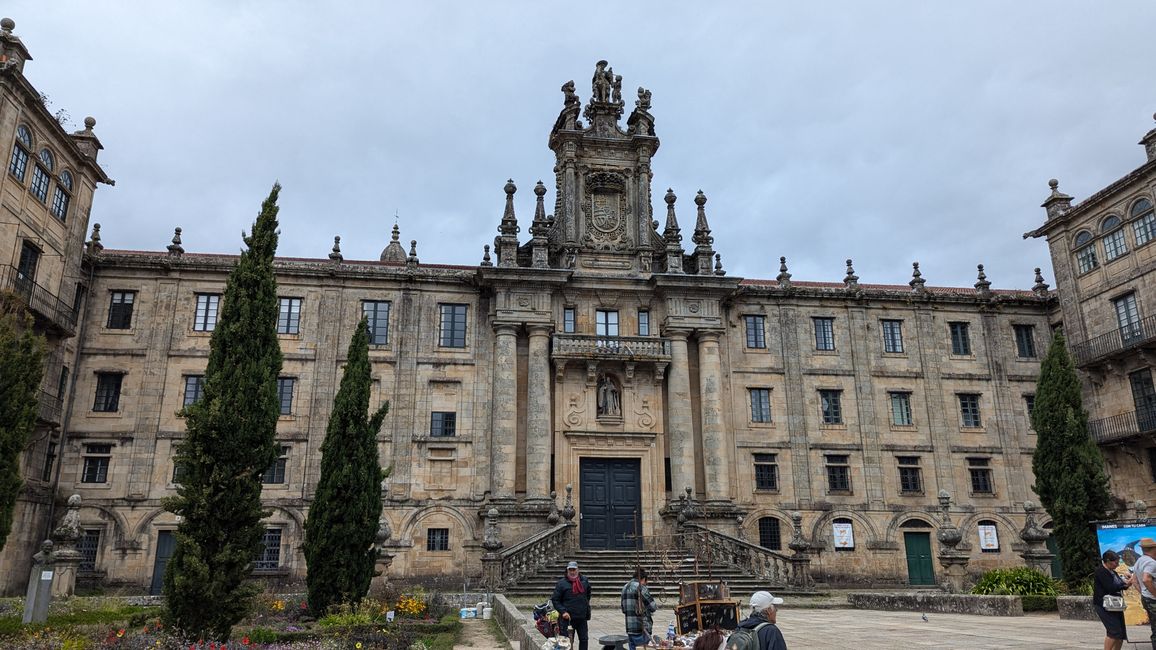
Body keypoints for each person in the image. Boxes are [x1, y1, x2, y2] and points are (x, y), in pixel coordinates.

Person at [1094, 550, 1132, 650]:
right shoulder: (1101, 572)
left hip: (1115, 605)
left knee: (1120, 632)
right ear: (1107, 561)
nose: (1117, 564)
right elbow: (1110, 587)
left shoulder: (1113, 572)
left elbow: (1120, 585)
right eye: (1116, 562)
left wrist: (1127, 583)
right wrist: (1124, 584)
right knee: (1114, 631)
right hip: (1104, 605)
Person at [552, 560, 592, 650]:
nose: (572, 572)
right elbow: (555, 600)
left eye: (574, 570)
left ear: (578, 570)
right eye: (570, 570)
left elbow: (588, 595)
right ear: (567, 571)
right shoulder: (562, 583)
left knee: (584, 639)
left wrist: (584, 606)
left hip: (582, 618)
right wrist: (563, 611)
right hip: (568, 619)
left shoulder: (584, 581)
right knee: (568, 641)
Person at [620, 568, 657, 650]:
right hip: (641, 628)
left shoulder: (625, 587)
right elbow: (653, 606)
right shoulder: (640, 587)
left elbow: (623, 609)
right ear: (643, 579)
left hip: (630, 629)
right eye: (645, 582)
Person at [1135, 538, 1156, 647]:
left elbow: (1134, 580)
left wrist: (1143, 592)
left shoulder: (1139, 560)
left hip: (1146, 598)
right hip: (1153, 600)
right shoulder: (1151, 562)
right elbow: (1146, 579)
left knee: (1154, 627)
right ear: (1153, 549)